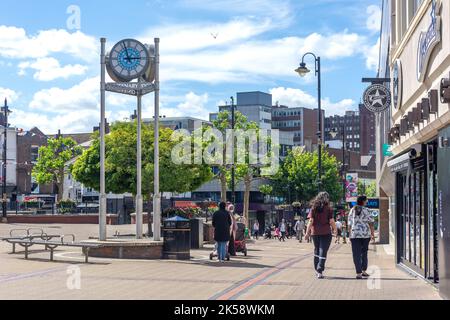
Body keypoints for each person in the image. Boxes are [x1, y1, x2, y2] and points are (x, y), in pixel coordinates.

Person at [305, 192, 337, 279]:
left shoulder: (313, 208)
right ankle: (320, 270)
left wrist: (307, 232)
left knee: (316, 250)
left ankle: (317, 269)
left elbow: (311, 221)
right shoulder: (328, 209)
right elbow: (331, 221)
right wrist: (335, 230)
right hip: (326, 232)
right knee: (323, 250)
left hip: (315, 233)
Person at [348, 195, 375, 279]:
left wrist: (349, 234)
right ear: (363, 201)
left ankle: (358, 273)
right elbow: (371, 223)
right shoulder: (367, 210)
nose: (367, 201)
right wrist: (372, 234)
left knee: (356, 254)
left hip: (354, 234)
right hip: (365, 234)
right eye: (366, 200)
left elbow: (349, 223)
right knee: (364, 252)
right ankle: (363, 270)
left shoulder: (352, 210)